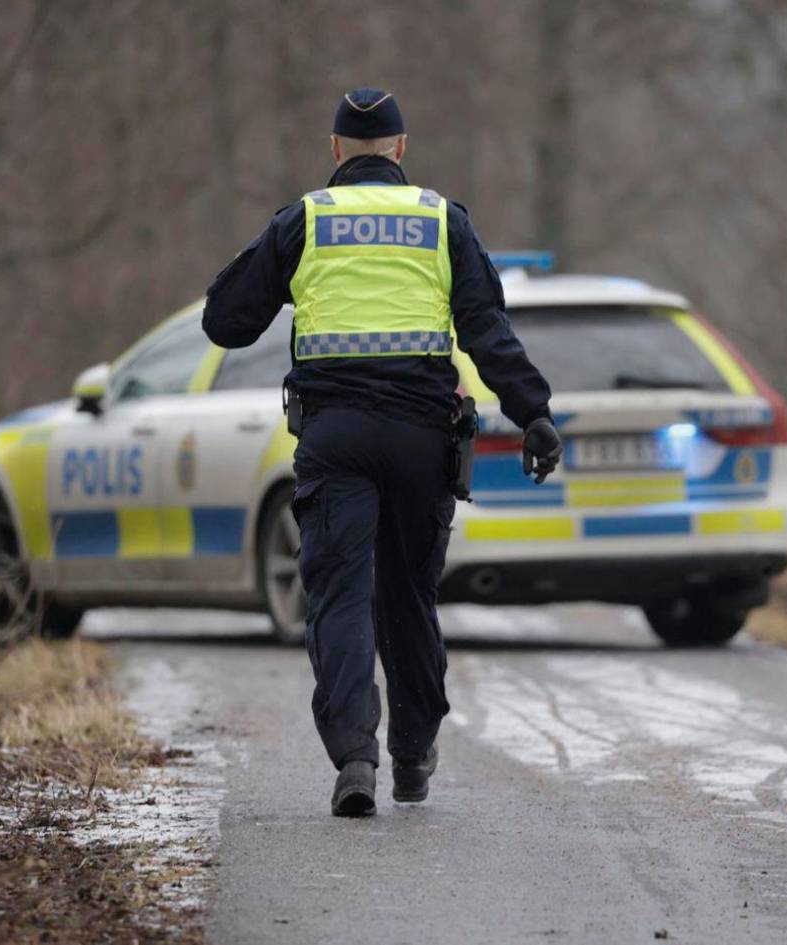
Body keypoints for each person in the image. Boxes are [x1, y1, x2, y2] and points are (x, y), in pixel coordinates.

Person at [202, 88, 562, 816]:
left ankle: (355, 755)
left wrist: (271, 268)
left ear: (336, 150)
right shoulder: (441, 220)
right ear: (400, 149)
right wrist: (535, 413)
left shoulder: (304, 220)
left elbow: (225, 322)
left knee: (338, 594)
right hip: (420, 437)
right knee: (409, 596)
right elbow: (487, 330)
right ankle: (412, 754)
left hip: (335, 438)